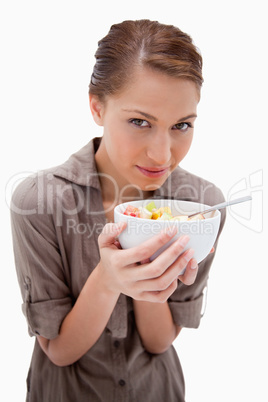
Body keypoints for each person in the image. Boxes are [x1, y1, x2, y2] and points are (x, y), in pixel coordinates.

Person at [11, 19, 225, 402]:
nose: (162, 154)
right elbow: (59, 351)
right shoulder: (38, 203)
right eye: (139, 122)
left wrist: (153, 266)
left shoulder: (204, 206)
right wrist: (108, 280)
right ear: (96, 106)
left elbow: (159, 342)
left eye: (181, 125)